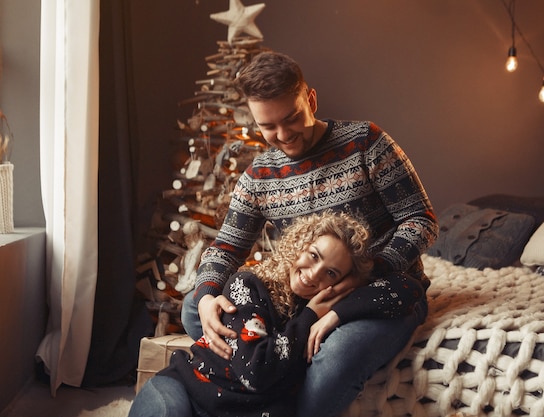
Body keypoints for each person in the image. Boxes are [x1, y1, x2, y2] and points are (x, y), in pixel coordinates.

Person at [182, 51, 439, 417]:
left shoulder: (366, 142)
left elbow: (421, 219)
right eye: (268, 127)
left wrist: (365, 274)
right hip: (303, 304)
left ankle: (274, 377)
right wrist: (208, 297)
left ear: (311, 100)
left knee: (335, 358)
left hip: (382, 292)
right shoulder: (259, 178)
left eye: (291, 119)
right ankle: (264, 379)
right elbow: (225, 248)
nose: (283, 135)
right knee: (194, 308)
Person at [129, 211, 379, 417]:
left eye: (331, 273)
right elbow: (256, 372)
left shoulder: (324, 315)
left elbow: (406, 291)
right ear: (299, 245)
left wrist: (339, 305)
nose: (314, 275)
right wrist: (311, 315)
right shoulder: (247, 285)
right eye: (314, 256)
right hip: (186, 391)